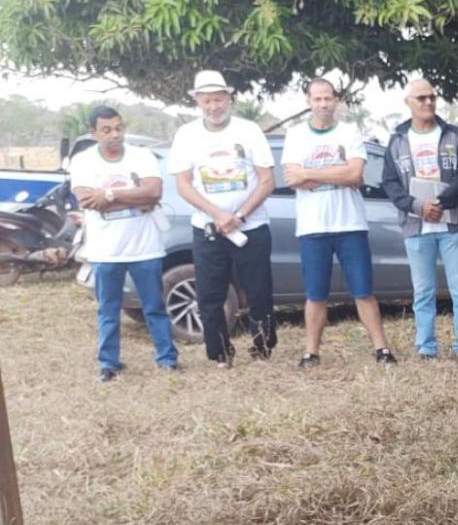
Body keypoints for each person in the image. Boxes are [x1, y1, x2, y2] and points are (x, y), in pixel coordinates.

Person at [280, 77, 396, 368]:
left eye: (327, 98)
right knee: (315, 295)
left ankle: (381, 349)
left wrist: (310, 173)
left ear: (336, 100)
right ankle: (311, 352)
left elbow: (355, 175)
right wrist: (337, 173)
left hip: (350, 225)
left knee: (363, 291)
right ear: (309, 102)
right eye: (317, 99)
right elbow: (293, 179)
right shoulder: (295, 135)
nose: (323, 104)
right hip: (312, 228)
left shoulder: (349, 131)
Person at [169, 69, 277, 367]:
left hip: (251, 226)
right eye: (207, 100)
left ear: (228, 98)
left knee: (259, 291)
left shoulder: (249, 130)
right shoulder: (186, 135)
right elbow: (183, 184)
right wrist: (217, 215)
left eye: (218, 99)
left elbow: (267, 180)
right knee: (209, 294)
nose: (213, 106)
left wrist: (239, 216)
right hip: (208, 228)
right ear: (197, 101)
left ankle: (262, 349)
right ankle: (220, 353)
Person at [72, 104, 178, 382]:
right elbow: (86, 200)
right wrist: (135, 196)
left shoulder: (142, 156)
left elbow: (153, 193)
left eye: (119, 128)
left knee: (154, 307)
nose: (115, 135)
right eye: (106, 130)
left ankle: (167, 358)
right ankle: (108, 363)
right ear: (94, 133)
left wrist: (108, 195)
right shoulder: (83, 161)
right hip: (105, 251)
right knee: (108, 310)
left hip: (145, 248)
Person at [381, 79, 458, 364]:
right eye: (421, 98)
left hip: (452, 225)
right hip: (416, 227)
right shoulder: (397, 140)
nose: (428, 102)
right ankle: (426, 348)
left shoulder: (454, 135)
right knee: (423, 291)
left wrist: (441, 204)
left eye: (432, 97)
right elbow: (390, 183)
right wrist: (417, 207)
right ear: (408, 103)